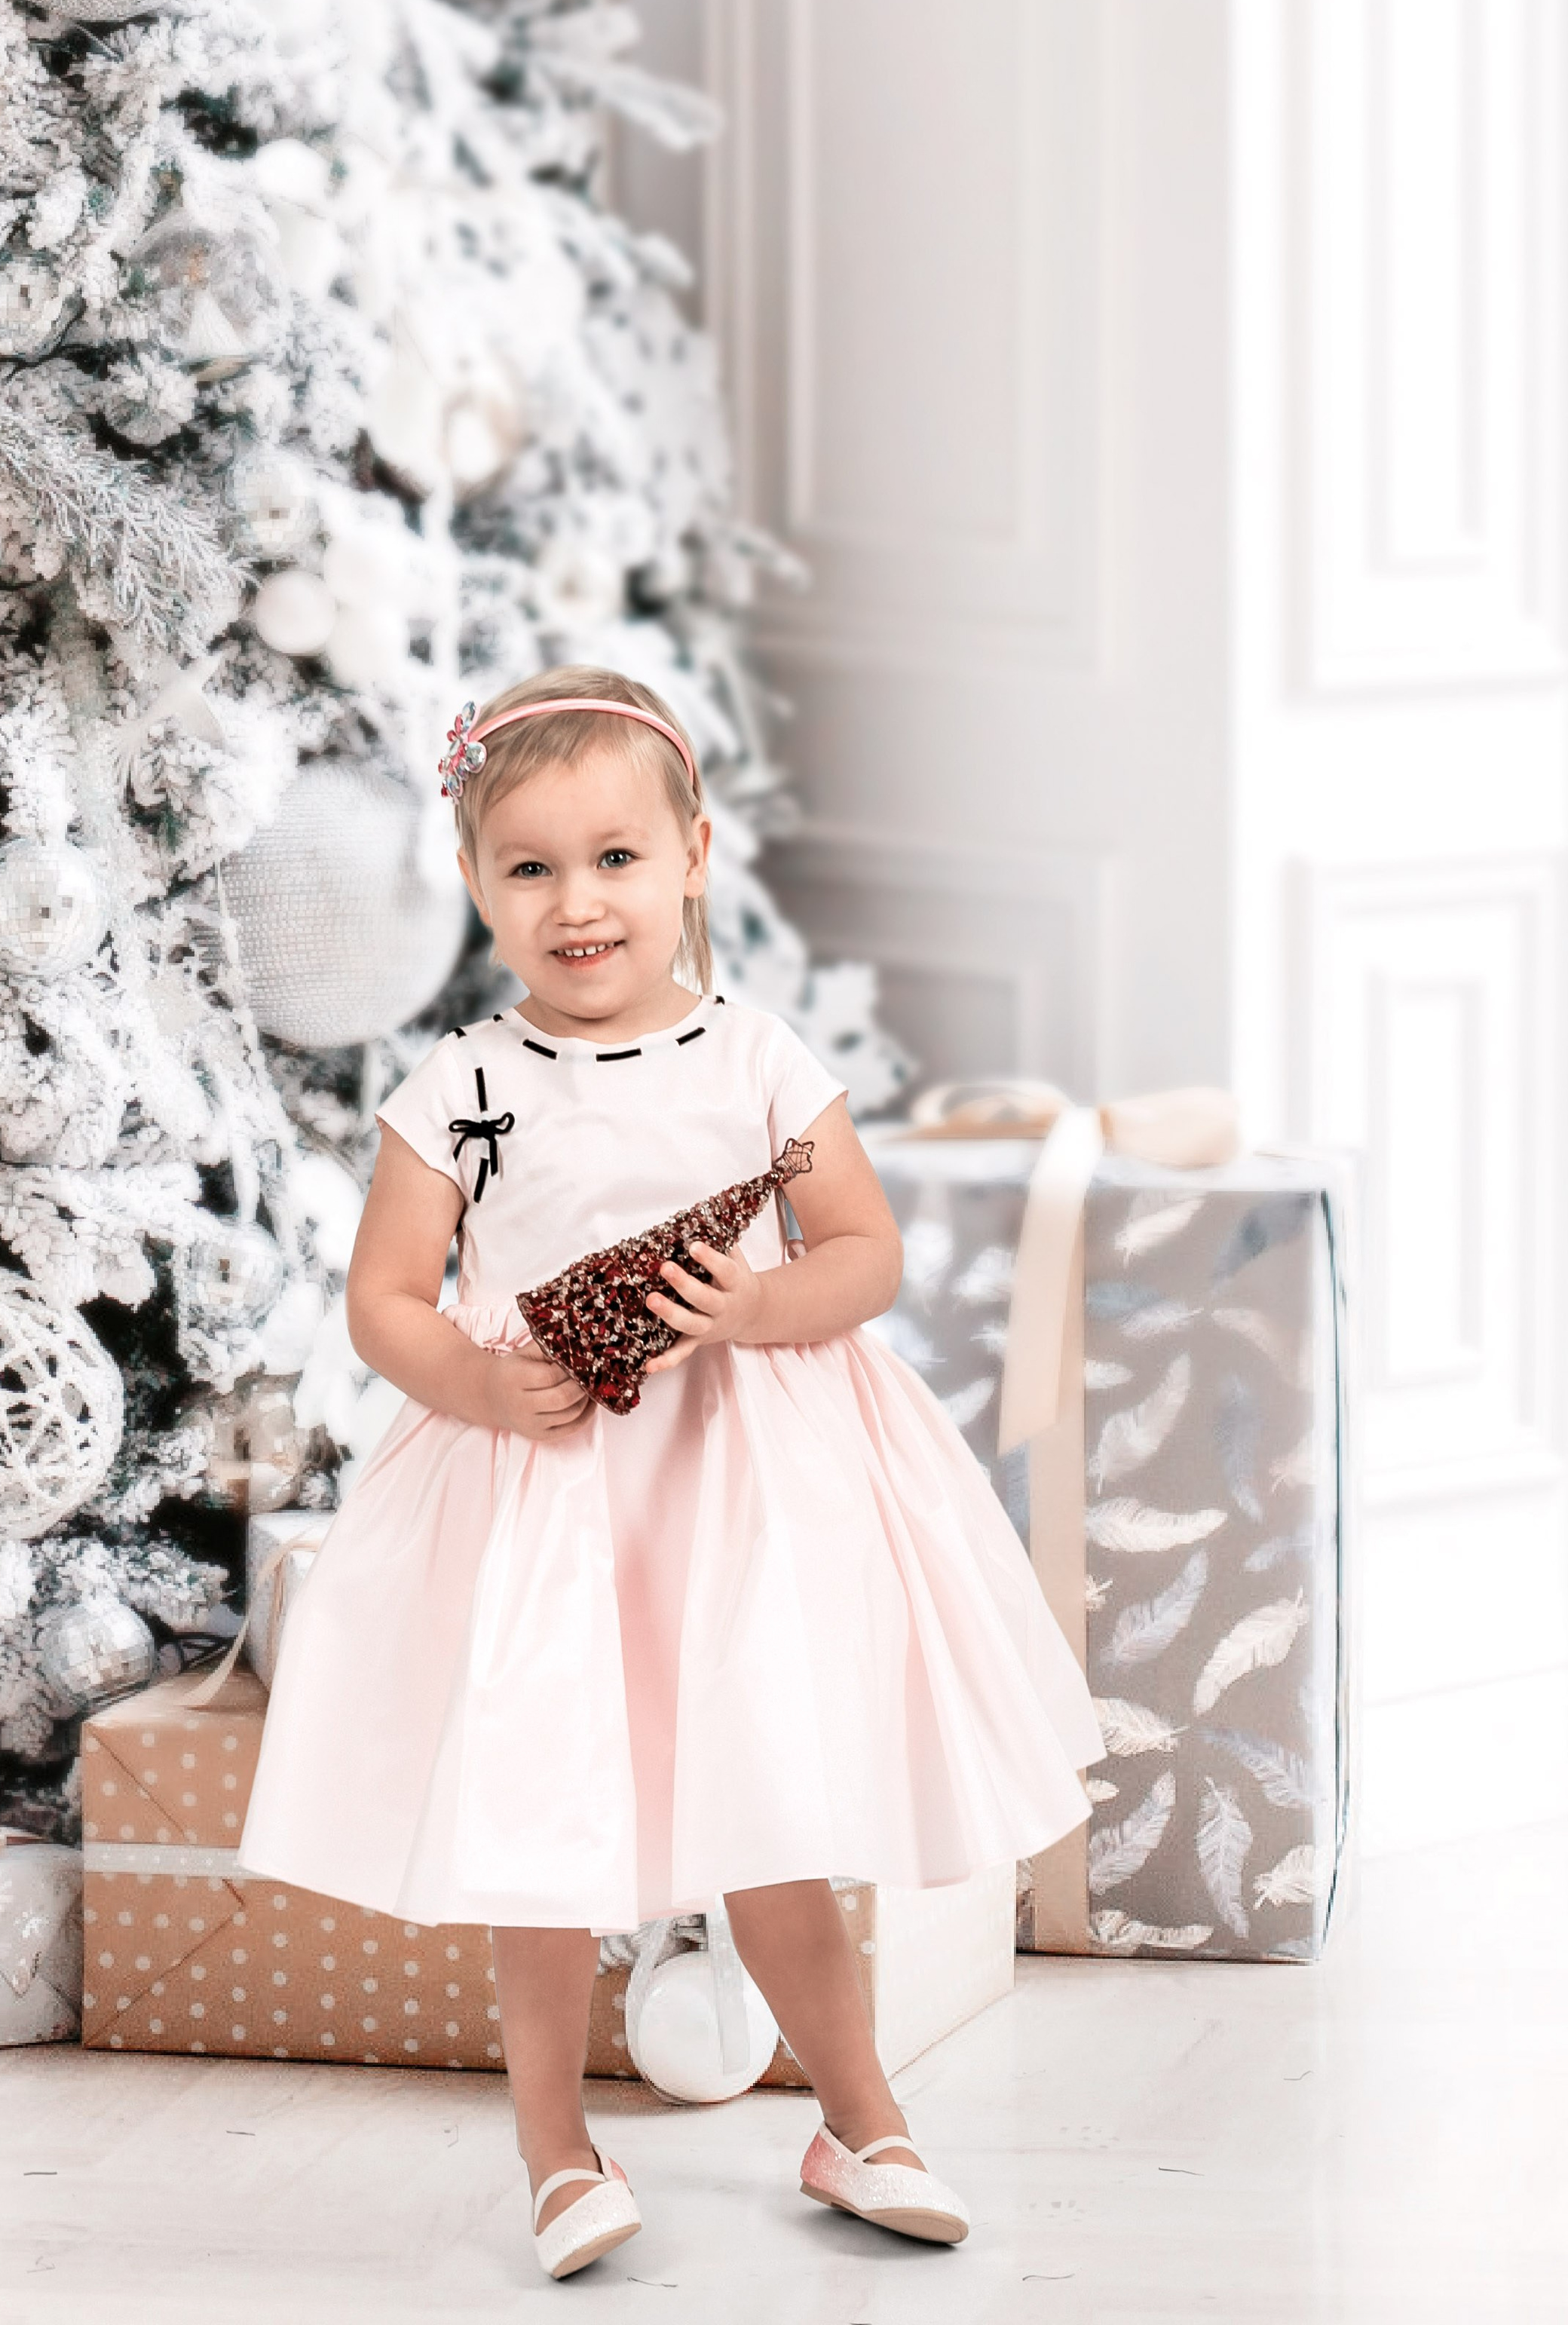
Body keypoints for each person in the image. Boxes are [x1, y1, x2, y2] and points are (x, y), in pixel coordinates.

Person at [238, 668, 1102, 2280]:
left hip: (744, 1483)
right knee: (545, 1820)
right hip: (551, 1492)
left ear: (692, 854)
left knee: (769, 1797)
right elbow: (381, 1302)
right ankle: (557, 2149)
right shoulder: (463, 1090)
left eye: (616, 859)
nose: (577, 902)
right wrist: (482, 1385)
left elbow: (862, 1252)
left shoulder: (755, 1060)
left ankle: (859, 2116)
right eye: (529, 867)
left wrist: (762, 1303)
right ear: (476, 883)